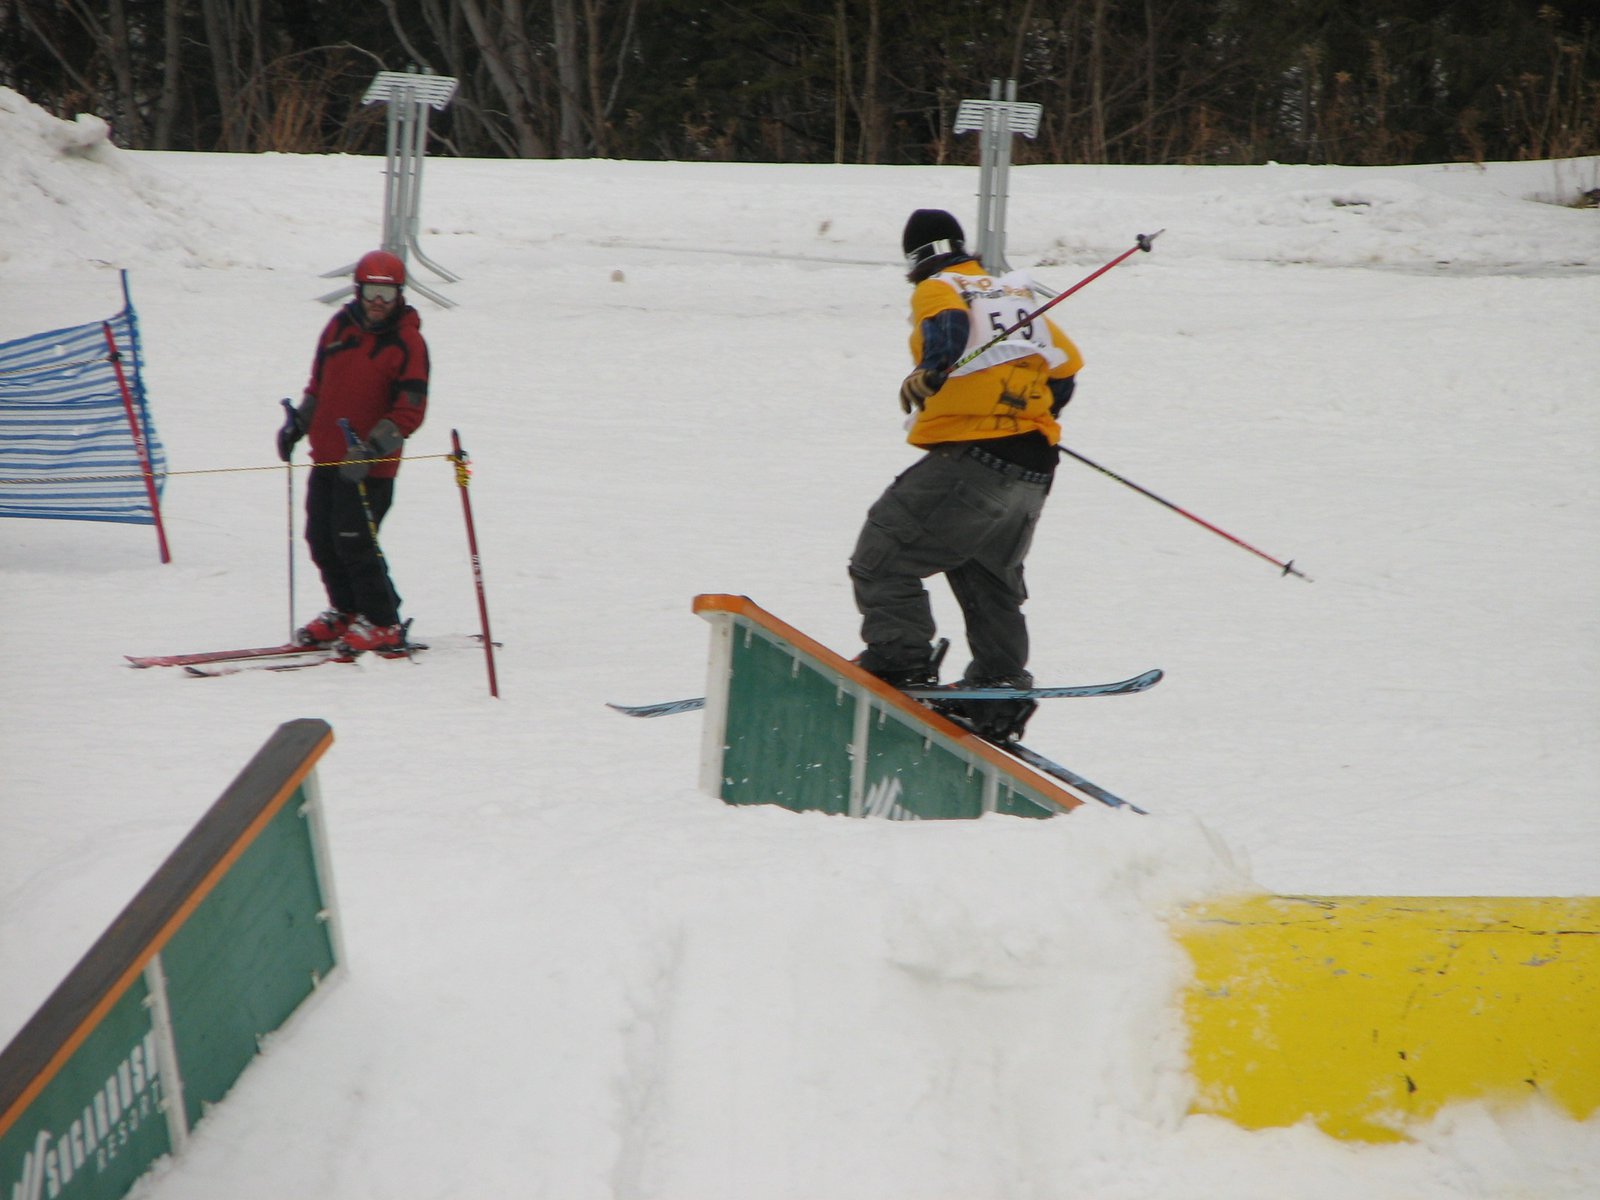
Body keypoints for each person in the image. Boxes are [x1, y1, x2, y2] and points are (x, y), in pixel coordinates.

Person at [848, 209, 1083, 742]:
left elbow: (945, 325)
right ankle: (998, 690)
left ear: (913, 259)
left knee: (883, 551)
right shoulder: (1015, 294)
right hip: (1034, 466)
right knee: (986, 576)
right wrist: (1032, 414)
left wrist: (932, 368)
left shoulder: (938, 286)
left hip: (975, 460)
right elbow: (1066, 366)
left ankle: (900, 660)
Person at [276, 249, 429, 655]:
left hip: (368, 469)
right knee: (320, 540)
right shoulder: (338, 327)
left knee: (354, 542)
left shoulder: (408, 342)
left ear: (400, 295)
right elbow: (318, 387)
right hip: (326, 457)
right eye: (372, 293)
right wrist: (298, 425)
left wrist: (371, 449)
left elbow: (409, 411)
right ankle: (345, 609)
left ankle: (382, 621)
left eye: (388, 295)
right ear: (358, 291)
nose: (379, 304)